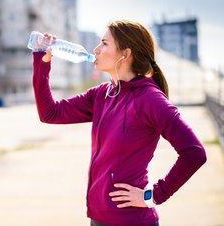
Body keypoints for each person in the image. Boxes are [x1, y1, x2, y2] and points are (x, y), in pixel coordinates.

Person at [32, 20, 207, 226]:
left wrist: (153, 195)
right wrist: (42, 63)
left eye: (104, 44)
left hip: (130, 220)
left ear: (125, 54)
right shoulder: (101, 94)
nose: (96, 50)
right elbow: (50, 113)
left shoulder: (150, 99)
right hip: (97, 217)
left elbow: (194, 152)